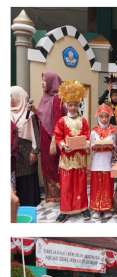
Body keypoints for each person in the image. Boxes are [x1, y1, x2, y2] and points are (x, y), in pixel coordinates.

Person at [53, 80, 91, 222]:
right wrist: (63, 145)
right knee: (67, 186)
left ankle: (83, 208)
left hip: (80, 159)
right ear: (66, 105)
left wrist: (86, 143)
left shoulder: (84, 121)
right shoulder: (62, 121)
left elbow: (87, 136)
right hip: (67, 160)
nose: (73, 107)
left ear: (78, 105)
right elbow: (58, 136)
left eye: (75, 104)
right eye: (70, 105)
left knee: (81, 185)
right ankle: (65, 210)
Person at [36, 72, 65, 203]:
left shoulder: (57, 99)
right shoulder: (45, 98)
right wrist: (34, 111)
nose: (42, 83)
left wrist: (54, 140)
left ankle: (58, 196)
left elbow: (58, 121)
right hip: (44, 139)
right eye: (42, 80)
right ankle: (51, 196)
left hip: (52, 139)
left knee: (53, 166)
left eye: (45, 80)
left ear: (52, 82)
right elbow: (43, 118)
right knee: (46, 165)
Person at [11, 86, 41, 206]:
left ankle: (29, 204)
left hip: (27, 151)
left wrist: (35, 151)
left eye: (11, 96)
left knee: (27, 178)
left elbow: (36, 134)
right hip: (14, 154)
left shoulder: (29, 114)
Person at [88, 103, 116, 218]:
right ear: (98, 117)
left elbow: (115, 146)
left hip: (108, 162)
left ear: (109, 117)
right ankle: (96, 208)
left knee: (107, 186)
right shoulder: (93, 131)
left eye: (106, 116)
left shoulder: (113, 131)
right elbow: (90, 146)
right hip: (96, 163)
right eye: (101, 116)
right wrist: (95, 146)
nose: (104, 119)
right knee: (96, 186)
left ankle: (107, 207)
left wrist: (110, 145)